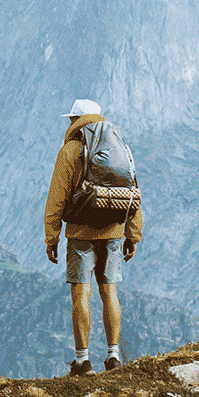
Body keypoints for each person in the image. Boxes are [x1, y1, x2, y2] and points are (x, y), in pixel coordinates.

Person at [44, 99, 142, 376]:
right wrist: (133, 235)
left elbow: (57, 198)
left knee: (81, 294)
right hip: (113, 230)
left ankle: (83, 360)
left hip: (80, 232)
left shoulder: (71, 150)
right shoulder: (119, 147)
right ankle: (113, 356)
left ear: (76, 119)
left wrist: (51, 237)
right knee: (109, 291)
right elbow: (132, 192)